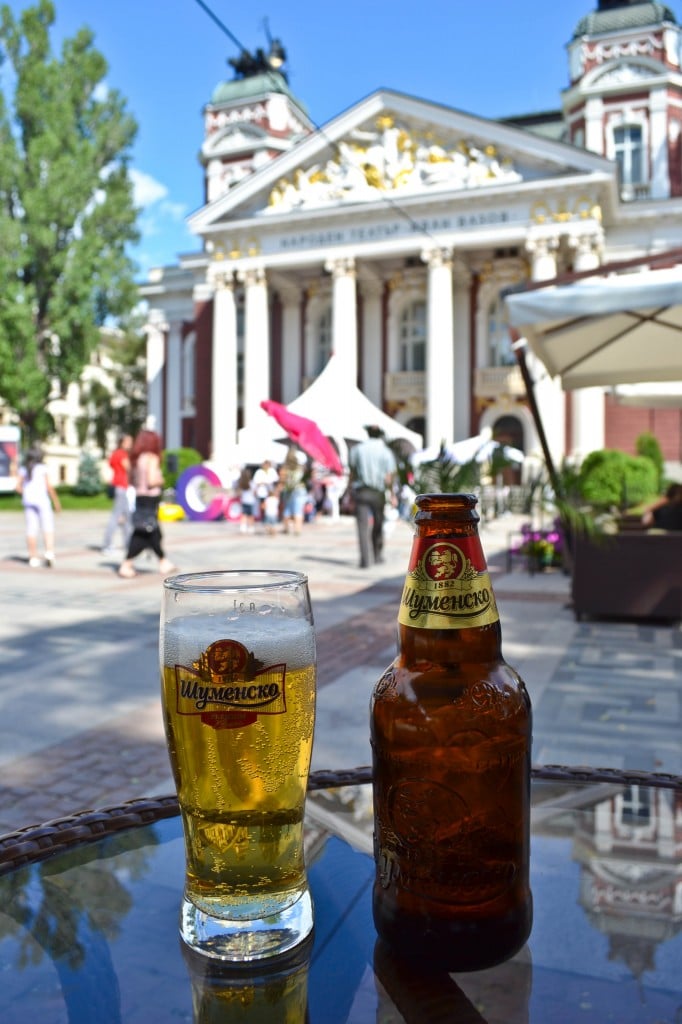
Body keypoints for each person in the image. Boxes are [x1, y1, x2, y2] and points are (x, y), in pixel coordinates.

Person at [118, 429, 176, 579]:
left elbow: (131, 480)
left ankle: (163, 562)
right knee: (146, 532)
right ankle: (127, 565)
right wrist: (161, 480)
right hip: (150, 498)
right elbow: (151, 481)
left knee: (150, 530)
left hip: (139, 497)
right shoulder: (151, 457)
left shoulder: (135, 459)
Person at [348, 425, 397, 568]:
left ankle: (365, 560)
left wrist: (349, 492)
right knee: (378, 523)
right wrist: (392, 494)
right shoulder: (386, 452)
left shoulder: (357, 449)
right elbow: (389, 477)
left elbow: (352, 473)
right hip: (378, 492)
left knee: (362, 526)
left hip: (361, 491)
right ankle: (377, 555)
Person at [16, 445, 61, 567]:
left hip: (29, 502)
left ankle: (32, 557)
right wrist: (56, 502)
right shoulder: (42, 468)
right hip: (42, 501)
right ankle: (49, 552)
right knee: (47, 527)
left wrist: (26, 493)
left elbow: (18, 487)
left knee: (31, 529)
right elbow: (49, 487)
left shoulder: (23, 469)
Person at [101, 434, 133, 555]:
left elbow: (111, 465)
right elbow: (129, 468)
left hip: (119, 486)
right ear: (122, 442)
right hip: (122, 487)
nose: (130, 444)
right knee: (116, 517)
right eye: (129, 441)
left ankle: (128, 544)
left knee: (126, 517)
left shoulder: (115, 453)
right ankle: (107, 545)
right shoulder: (121, 454)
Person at [280, 448, 307, 535]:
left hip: (288, 490)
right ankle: (297, 529)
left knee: (287, 509)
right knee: (298, 510)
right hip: (299, 489)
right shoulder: (300, 467)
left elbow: (282, 481)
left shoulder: (284, 469)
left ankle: (286, 528)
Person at [237, 467, 256, 533]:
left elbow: (239, 493)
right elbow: (254, 492)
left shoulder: (241, 484)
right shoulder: (252, 483)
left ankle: (243, 527)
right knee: (250, 515)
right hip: (251, 501)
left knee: (244, 515)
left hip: (244, 501)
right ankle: (251, 527)